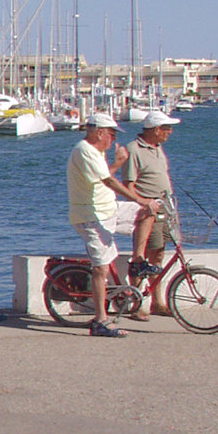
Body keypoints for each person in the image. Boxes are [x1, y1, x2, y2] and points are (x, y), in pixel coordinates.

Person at [67, 112, 161, 337]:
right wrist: (139, 198)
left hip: (109, 209)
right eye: (111, 134)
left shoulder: (97, 153)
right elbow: (108, 181)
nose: (112, 139)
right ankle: (100, 320)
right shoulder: (84, 150)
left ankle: (137, 262)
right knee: (100, 268)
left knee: (146, 213)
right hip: (92, 216)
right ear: (99, 133)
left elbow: (103, 176)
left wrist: (118, 163)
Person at [119, 108, 180, 318]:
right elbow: (128, 184)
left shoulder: (157, 148)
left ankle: (157, 301)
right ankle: (136, 304)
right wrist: (143, 203)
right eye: (167, 128)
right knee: (140, 256)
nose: (170, 132)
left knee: (158, 254)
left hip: (164, 207)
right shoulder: (134, 149)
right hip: (147, 211)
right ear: (155, 129)